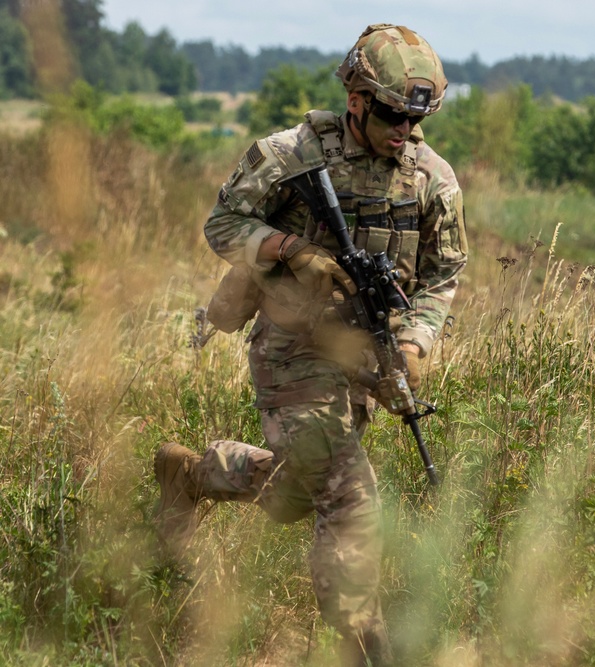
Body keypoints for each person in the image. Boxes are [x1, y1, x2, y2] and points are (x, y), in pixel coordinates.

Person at [153, 23, 467, 667]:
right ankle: (360, 644)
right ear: (356, 99)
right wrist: (292, 251)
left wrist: (415, 342)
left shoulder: (431, 178)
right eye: (390, 115)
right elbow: (223, 224)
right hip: (291, 347)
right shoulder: (289, 155)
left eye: (417, 118)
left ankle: (191, 474)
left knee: (299, 491)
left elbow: (443, 275)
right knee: (349, 496)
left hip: (365, 354)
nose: (404, 131)